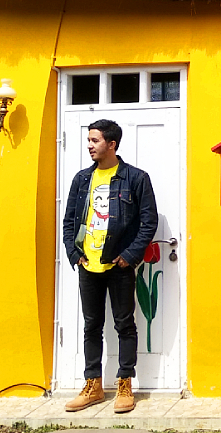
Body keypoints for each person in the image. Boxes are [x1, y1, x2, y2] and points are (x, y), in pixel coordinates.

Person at [61, 119, 158, 414]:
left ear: (111, 144)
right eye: (89, 140)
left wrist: (130, 255)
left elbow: (148, 222)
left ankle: (124, 383)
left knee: (124, 325)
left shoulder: (135, 178)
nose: (89, 145)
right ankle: (93, 385)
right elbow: (69, 221)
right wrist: (73, 252)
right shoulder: (81, 179)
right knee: (92, 326)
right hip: (87, 265)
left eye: (94, 140)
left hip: (119, 265)